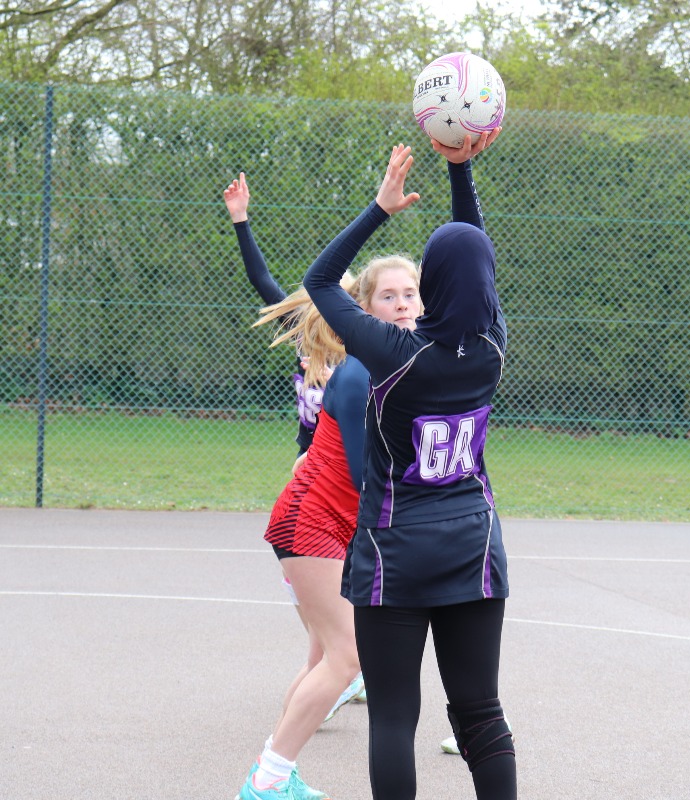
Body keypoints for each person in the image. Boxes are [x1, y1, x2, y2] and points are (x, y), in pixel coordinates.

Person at [304, 133, 516, 800]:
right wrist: (463, 169)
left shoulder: (393, 351)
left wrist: (381, 208)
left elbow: (316, 281)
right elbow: (472, 253)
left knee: (395, 717)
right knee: (480, 713)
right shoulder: (491, 345)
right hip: (474, 545)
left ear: (431, 282)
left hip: (395, 548)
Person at [236, 254, 422, 800]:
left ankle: (274, 769)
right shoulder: (361, 371)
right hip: (312, 524)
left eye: (410, 293)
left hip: (325, 523)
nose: (402, 304)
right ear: (363, 310)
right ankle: (266, 780)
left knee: (323, 656)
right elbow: (371, 479)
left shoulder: (392, 367)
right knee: (346, 658)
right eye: (387, 296)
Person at [223, 174, 366, 714]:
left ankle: (345, 661)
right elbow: (261, 280)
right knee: (319, 587)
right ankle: (339, 663)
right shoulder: (310, 345)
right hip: (312, 473)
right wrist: (241, 220)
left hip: (341, 469)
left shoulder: (363, 350)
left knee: (354, 577)